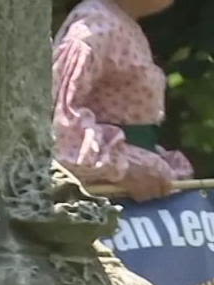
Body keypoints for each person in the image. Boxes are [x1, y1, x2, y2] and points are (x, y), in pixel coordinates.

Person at [53, 0, 191, 201]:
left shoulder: (118, 21)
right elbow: (59, 120)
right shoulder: (96, 24)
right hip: (102, 202)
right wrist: (121, 168)